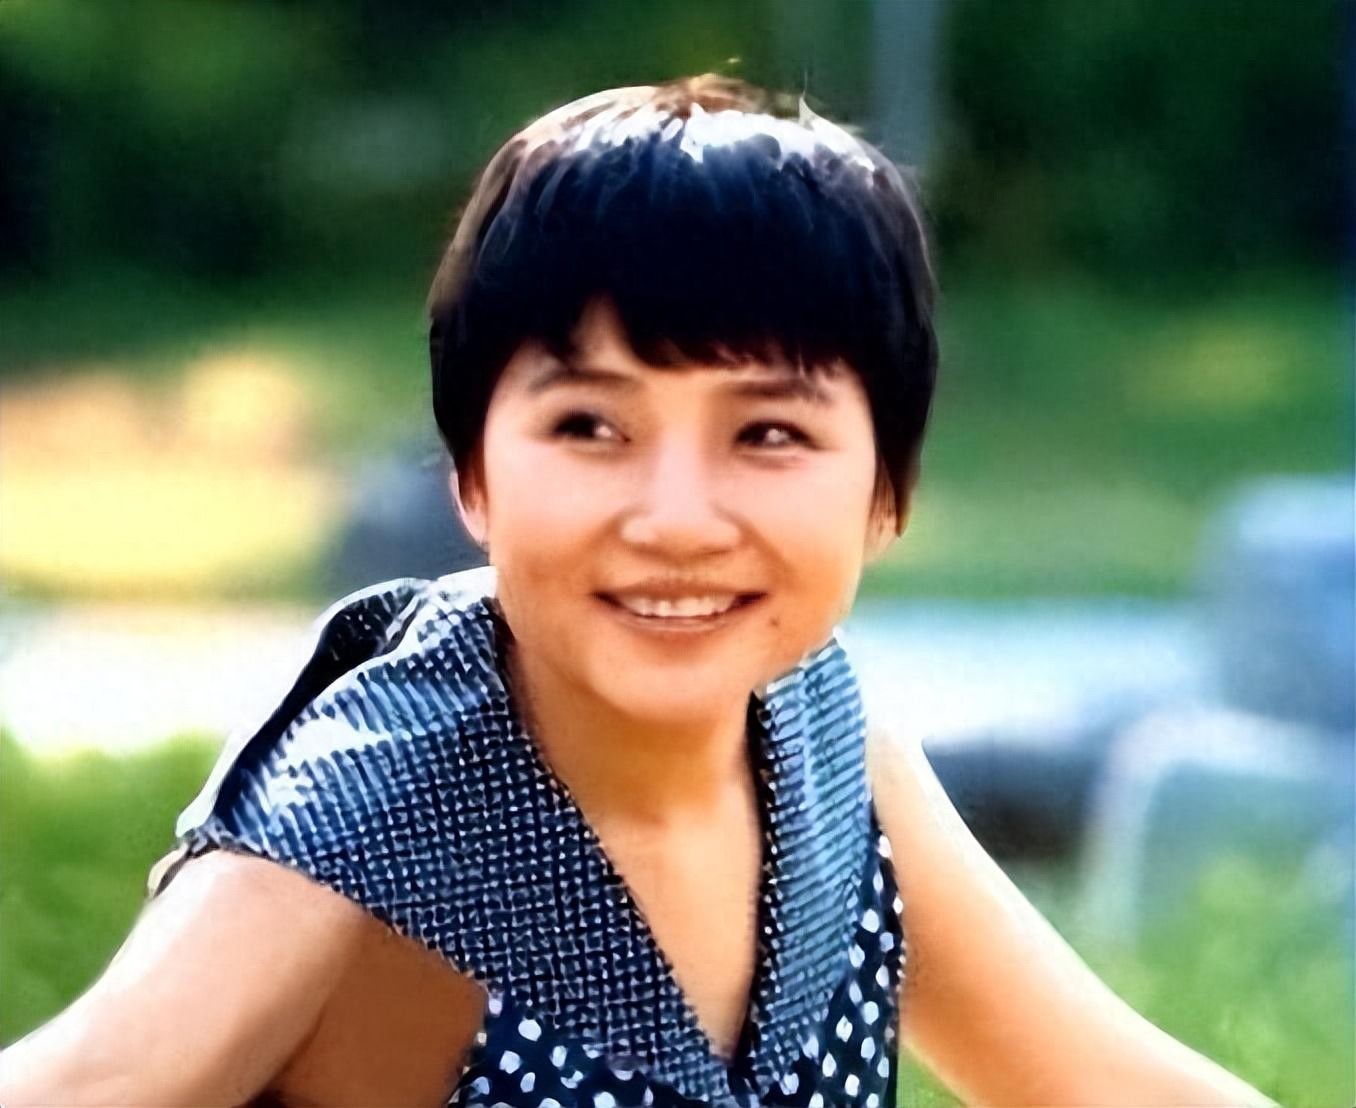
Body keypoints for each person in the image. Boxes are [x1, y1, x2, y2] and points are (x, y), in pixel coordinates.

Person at [0, 76, 1268, 1108]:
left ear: (888, 492)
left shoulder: (820, 736)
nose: (674, 518)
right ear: (471, 476)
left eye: (767, 434)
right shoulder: (371, 812)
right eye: (591, 427)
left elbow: (1103, 1081)